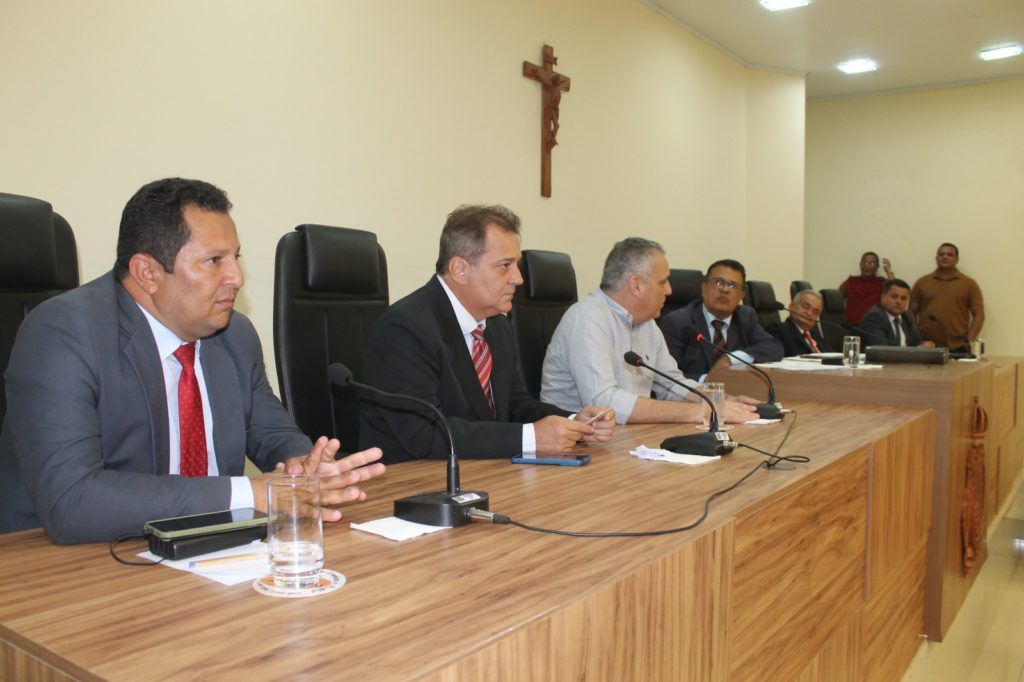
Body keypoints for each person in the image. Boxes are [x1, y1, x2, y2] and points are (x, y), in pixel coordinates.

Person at [0, 179, 385, 543]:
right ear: (148, 273)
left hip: (209, 552)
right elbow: (71, 500)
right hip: (63, 561)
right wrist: (250, 493)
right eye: (214, 260)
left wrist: (303, 466)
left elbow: (273, 433)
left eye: (235, 257)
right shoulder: (64, 333)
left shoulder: (234, 334)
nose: (237, 277)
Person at [358, 204, 615, 464]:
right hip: (410, 479)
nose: (518, 278)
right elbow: (426, 434)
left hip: (483, 471)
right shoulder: (405, 327)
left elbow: (516, 406)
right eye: (505, 265)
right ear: (460, 269)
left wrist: (574, 422)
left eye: (517, 265)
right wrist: (531, 438)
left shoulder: (496, 325)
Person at [540, 238, 758, 424]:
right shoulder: (588, 317)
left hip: (630, 438)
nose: (669, 290)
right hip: (578, 447)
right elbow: (604, 402)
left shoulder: (646, 324)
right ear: (636, 285)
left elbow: (671, 384)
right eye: (663, 282)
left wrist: (721, 401)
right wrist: (701, 412)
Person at [659, 259, 784, 381]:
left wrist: (731, 358)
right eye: (718, 282)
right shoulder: (678, 322)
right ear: (704, 288)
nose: (725, 290)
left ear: (741, 296)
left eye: (732, 285)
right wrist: (710, 381)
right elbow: (666, 376)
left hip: (738, 390)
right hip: (694, 392)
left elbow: (774, 347)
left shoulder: (745, 316)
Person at [910, 243, 984, 352]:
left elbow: (979, 314)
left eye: (949, 255)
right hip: (927, 346)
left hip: (958, 347)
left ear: (957, 259)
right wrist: (916, 338)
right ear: (936, 258)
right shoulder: (922, 283)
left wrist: (969, 340)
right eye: (941, 254)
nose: (945, 257)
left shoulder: (969, 284)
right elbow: (911, 312)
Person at [860, 279, 934, 348]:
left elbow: (916, 342)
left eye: (903, 298)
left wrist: (924, 346)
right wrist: (916, 350)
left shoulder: (906, 316)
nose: (899, 302)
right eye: (894, 296)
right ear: (883, 297)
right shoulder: (875, 317)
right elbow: (881, 350)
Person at [768, 290, 831, 357]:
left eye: (815, 311)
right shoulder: (778, 330)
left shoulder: (818, 338)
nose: (809, 313)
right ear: (791, 306)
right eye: (806, 306)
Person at [840, 251, 895, 325]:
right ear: (860, 265)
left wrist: (888, 271)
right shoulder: (851, 281)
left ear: (877, 266)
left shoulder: (881, 282)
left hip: (874, 326)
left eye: (872, 264)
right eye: (865, 263)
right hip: (850, 326)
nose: (868, 266)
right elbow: (836, 301)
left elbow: (895, 290)